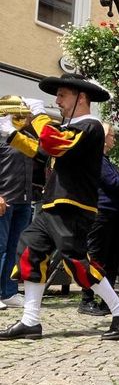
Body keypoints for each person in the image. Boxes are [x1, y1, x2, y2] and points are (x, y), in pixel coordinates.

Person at [0, 73, 119, 341]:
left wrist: (38, 116)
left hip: (73, 206)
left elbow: (53, 144)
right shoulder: (72, 126)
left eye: (62, 95)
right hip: (53, 203)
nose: (57, 100)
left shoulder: (91, 126)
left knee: (77, 263)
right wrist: (12, 134)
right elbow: (43, 151)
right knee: (30, 252)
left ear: (81, 97)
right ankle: (30, 320)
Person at [78, 123, 119, 316]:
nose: (114, 138)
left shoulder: (107, 161)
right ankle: (86, 300)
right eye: (112, 135)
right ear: (104, 137)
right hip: (102, 214)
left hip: (115, 214)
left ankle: (108, 300)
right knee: (97, 257)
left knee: (113, 258)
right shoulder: (95, 158)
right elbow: (115, 183)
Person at [0, 131, 34, 309]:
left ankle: (8, 292)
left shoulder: (27, 137)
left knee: (15, 248)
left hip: (24, 200)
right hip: (4, 200)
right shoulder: (1, 135)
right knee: (0, 247)